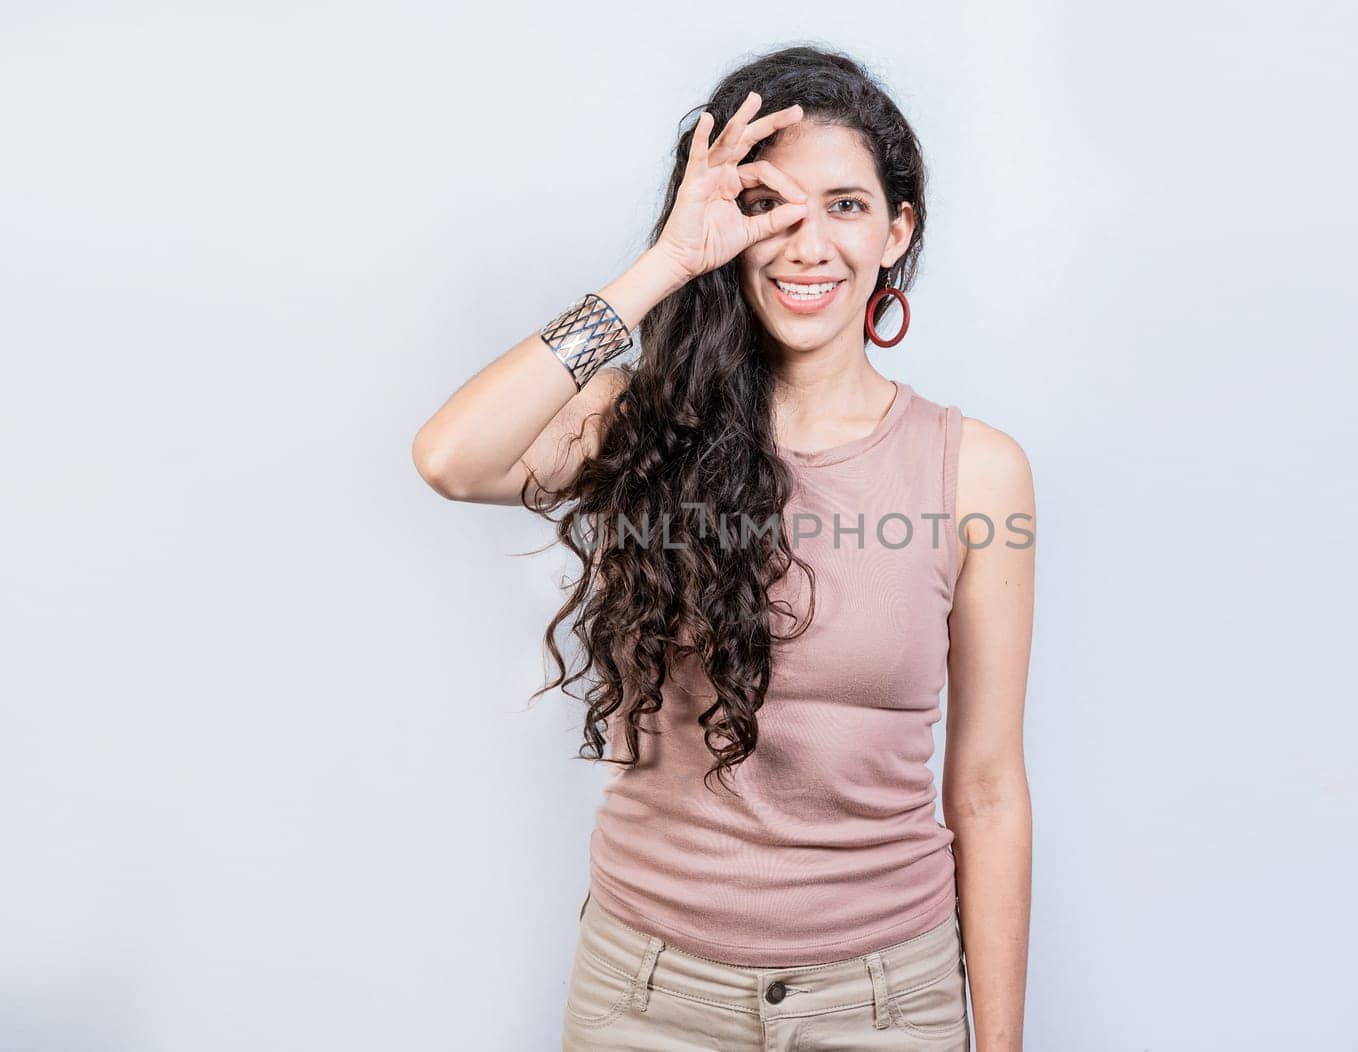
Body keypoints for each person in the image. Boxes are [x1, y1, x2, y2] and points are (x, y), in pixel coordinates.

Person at [412, 45, 1034, 1051]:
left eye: (845, 206)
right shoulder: (639, 424)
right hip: (647, 997)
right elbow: (450, 456)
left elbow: (989, 785)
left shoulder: (978, 472)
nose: (807, 244)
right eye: (771, 206)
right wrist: (661, 264)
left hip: (885, 1001)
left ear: (895, 229)